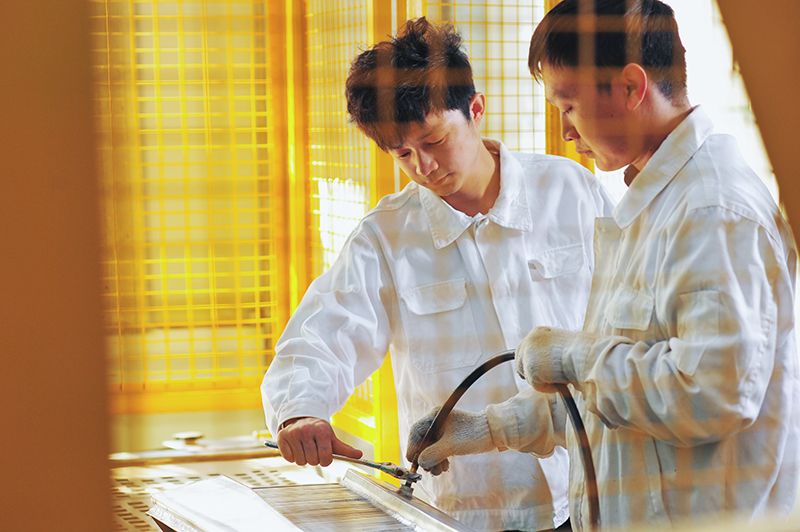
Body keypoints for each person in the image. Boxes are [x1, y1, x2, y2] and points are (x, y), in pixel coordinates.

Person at [407, 1, 800, 530]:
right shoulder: (653, 207)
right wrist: (487, 428)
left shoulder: (712, 210)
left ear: (632, 87)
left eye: (568, 107)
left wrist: (576, 356)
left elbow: (711, 395)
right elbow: (617, 399)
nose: (566, 131)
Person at [261, 17, 613, 531]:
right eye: (403, 154)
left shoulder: (570, 191)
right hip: (467, 509)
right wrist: (300, 410)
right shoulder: (386, 236)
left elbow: (628, 315)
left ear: (476, 109)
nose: (423, 166)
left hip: (589, 492)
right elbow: (322, 334)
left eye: (434, 140)